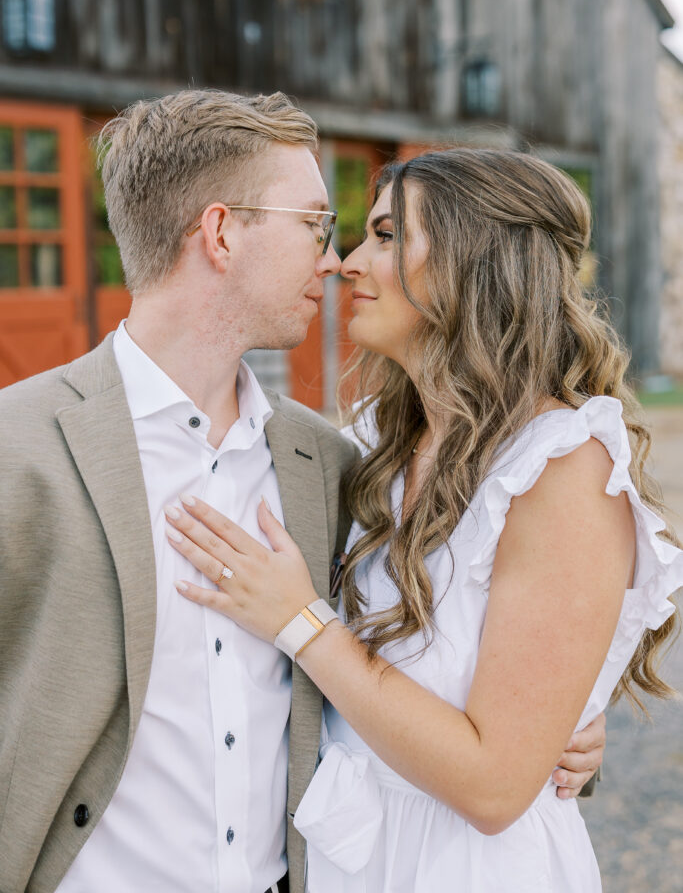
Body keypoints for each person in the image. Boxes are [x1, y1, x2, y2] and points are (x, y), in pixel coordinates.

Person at [0, 98, 600, 893]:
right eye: (316, 224)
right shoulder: (19, 445)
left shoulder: (333, 462)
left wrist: (555, 730)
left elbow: (438, 649)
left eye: (363, 234)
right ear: (220, 234)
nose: (336, 258)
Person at [166, 148, 683, 892]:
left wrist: (299, 620)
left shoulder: (560, 468)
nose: (346, 263)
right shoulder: (377, 441)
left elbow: (493, 787)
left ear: (473, 260)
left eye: (384, 236)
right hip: (355, 854)